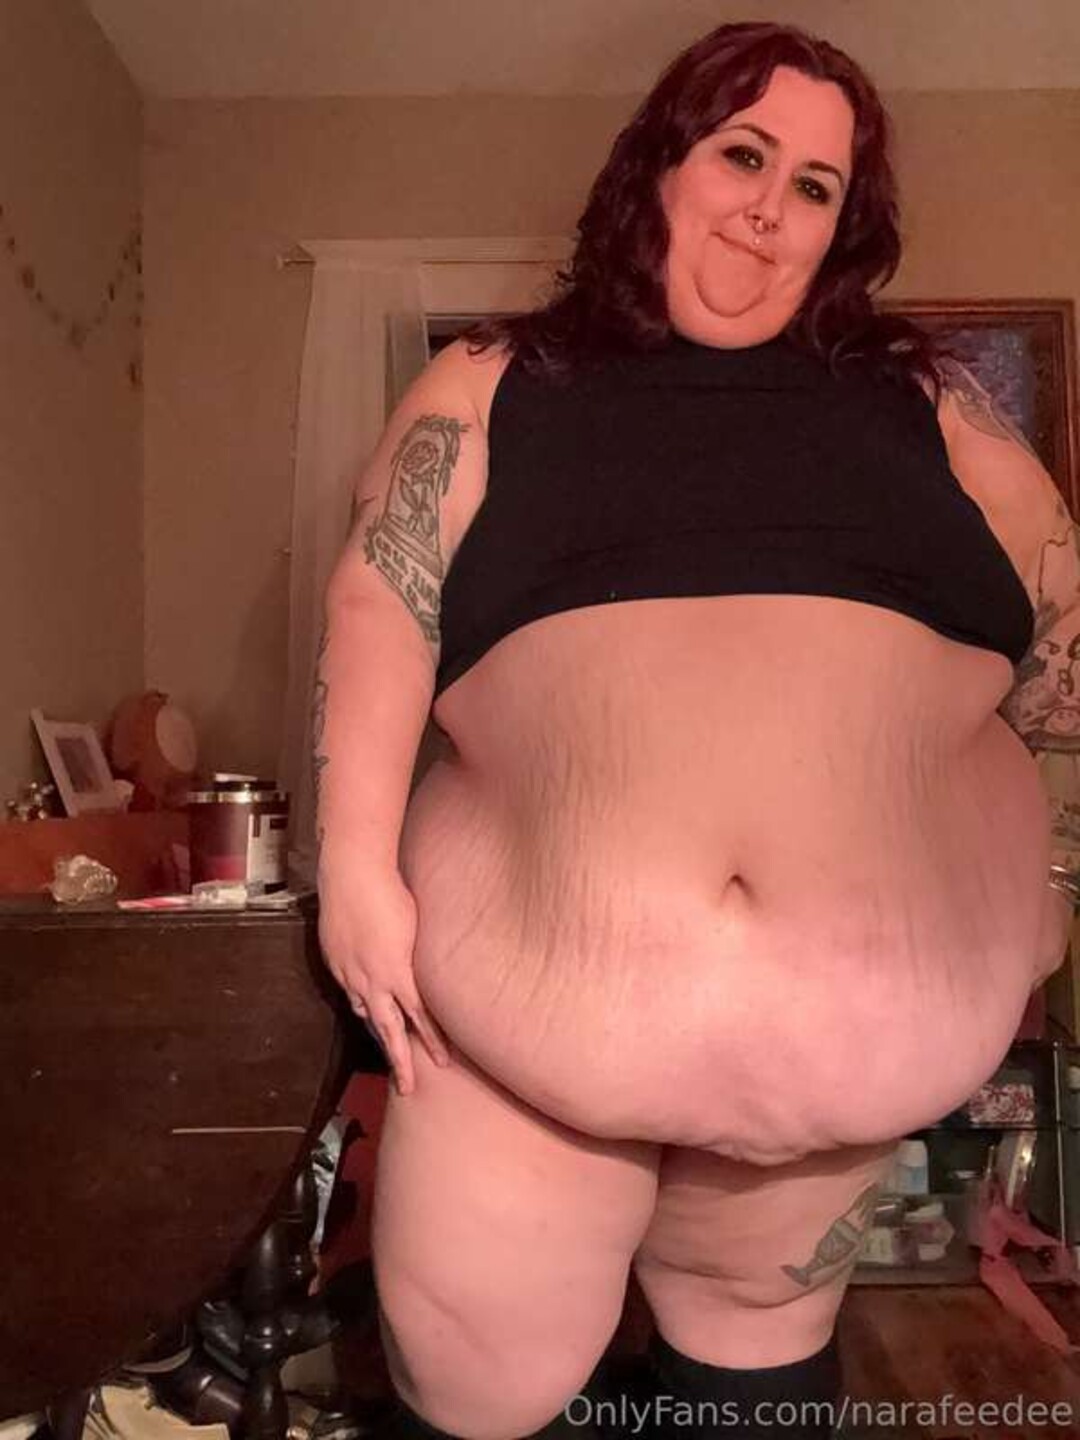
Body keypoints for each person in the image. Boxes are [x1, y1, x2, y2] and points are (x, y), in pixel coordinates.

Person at [314, 20, 1080, 1439]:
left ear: (842, 229)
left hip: (829, 1108)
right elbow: (383, 601)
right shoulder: (497, 376)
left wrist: (1055, 881)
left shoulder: (927, 402)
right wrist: (354, 865)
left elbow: (1066, 631)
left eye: (815, 186)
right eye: (743, 154)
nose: (769, 208)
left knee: (753, 1362)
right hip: (522, 1049)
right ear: (659, 164)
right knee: (480, 1380)